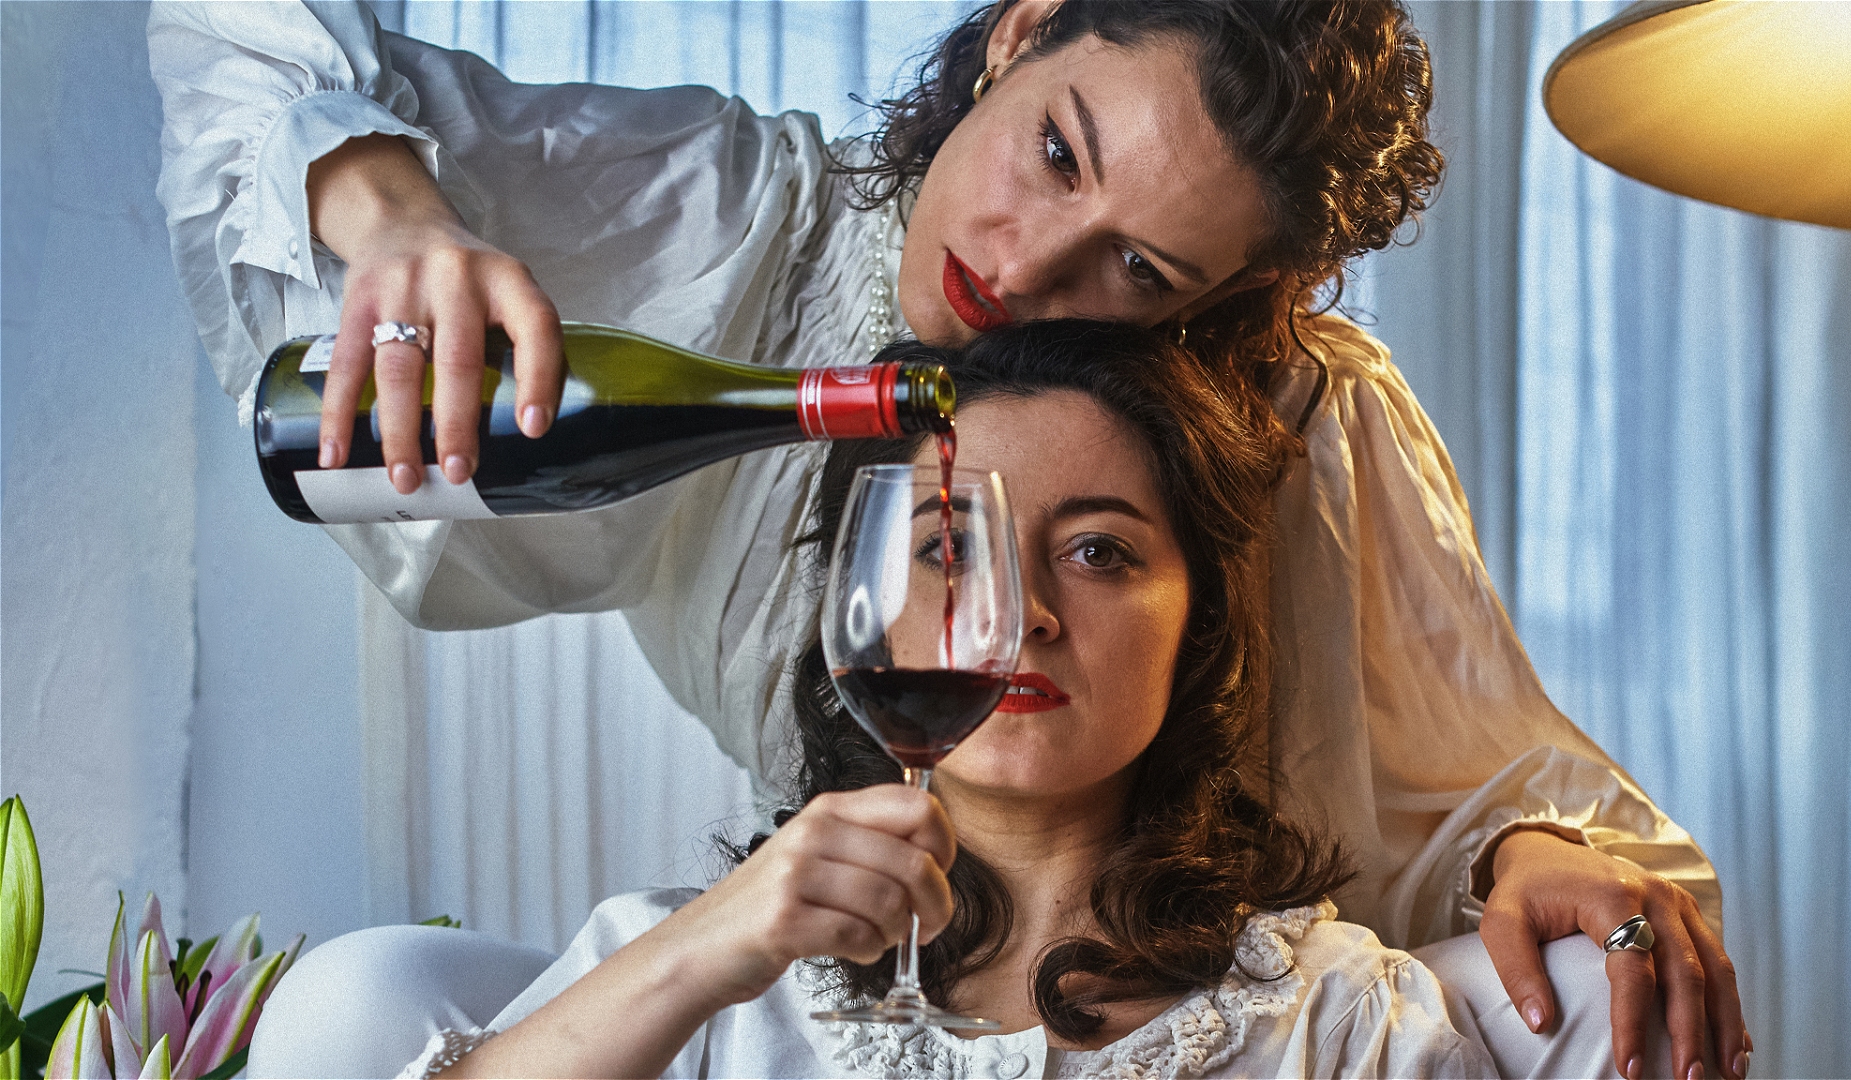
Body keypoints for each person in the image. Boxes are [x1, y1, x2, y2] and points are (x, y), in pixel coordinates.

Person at [149, 2, 1747, 1077]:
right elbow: (240, 33)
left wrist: (1525, 850)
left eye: (1140, 269)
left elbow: (1483, 765)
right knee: (360, 1003)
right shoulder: (725, 233)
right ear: (1023, 30)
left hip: (1204, 968)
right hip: (855, 935)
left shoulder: (1297, 420)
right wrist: (391, 215)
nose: (1028, 266)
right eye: (1057, 152)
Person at [258, 320, 1499, 1078]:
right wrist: (699, 955)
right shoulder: (697, 979)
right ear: (857, 605)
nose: (1019, 613)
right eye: (951, 547)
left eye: (1099, 551)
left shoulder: (1344, 1023)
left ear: (1204, 628)